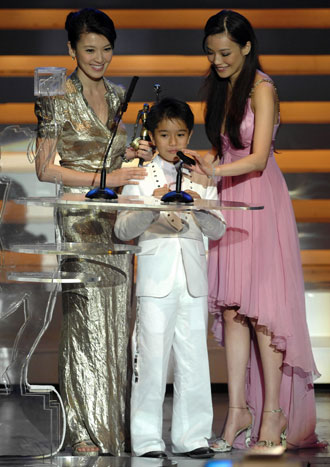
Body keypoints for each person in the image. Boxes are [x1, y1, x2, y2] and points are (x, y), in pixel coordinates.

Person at [184, 9, 323, 451]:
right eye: (210, 53)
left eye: (225, 52)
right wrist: (205, 162)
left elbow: (259, 157)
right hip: (231, 199)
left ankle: (273, 415)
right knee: (231, 308)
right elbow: (225, 148)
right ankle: (238, 409)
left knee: (262, 310)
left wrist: (217, 169)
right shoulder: (223, 89)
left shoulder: (263, 89)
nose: (217, 60)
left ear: (246, 46)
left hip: (261, 198)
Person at [34, 8, 153, 456]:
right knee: (85, 322)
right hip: (79, 216)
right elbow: (46, 168)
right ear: (71, 50)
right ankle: (83, 430)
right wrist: (106, 179)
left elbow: (116, 155)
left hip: (116, 218)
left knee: (116, 322)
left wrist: (135, 153)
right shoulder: (54, 94)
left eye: (106, 49)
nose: (99, 57)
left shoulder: (121, 94)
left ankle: (113, 429)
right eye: (89, 49)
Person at [114, 97, 226, 459]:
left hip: (193, 281)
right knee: (149, 361)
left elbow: (219, 228)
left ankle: (192, 437)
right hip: (155, 281)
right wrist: (153, 205)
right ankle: (146, 441)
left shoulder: (201, 172)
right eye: (165, 134)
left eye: (180, 134)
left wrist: (199, 204)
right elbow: (122, 228)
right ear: (153, 135)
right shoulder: (140, 174)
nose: (173, 142)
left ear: (189, 134)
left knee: (194, 359)